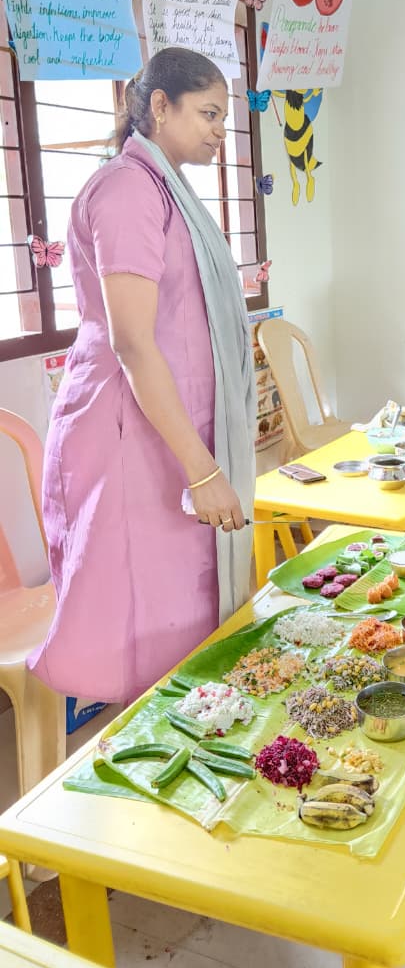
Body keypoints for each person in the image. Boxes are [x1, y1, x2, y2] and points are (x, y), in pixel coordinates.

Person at [29, 47, 257, 705]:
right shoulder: (128, 190)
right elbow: (132, 340)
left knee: (185, 613)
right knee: (145, 621)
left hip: (170, 432)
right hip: (130, 436)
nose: (220, 130)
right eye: (208, 113)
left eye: (224, 117)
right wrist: (203, 471)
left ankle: (187, 734)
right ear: (160, 106)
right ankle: (150, 746)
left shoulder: (169, 190)